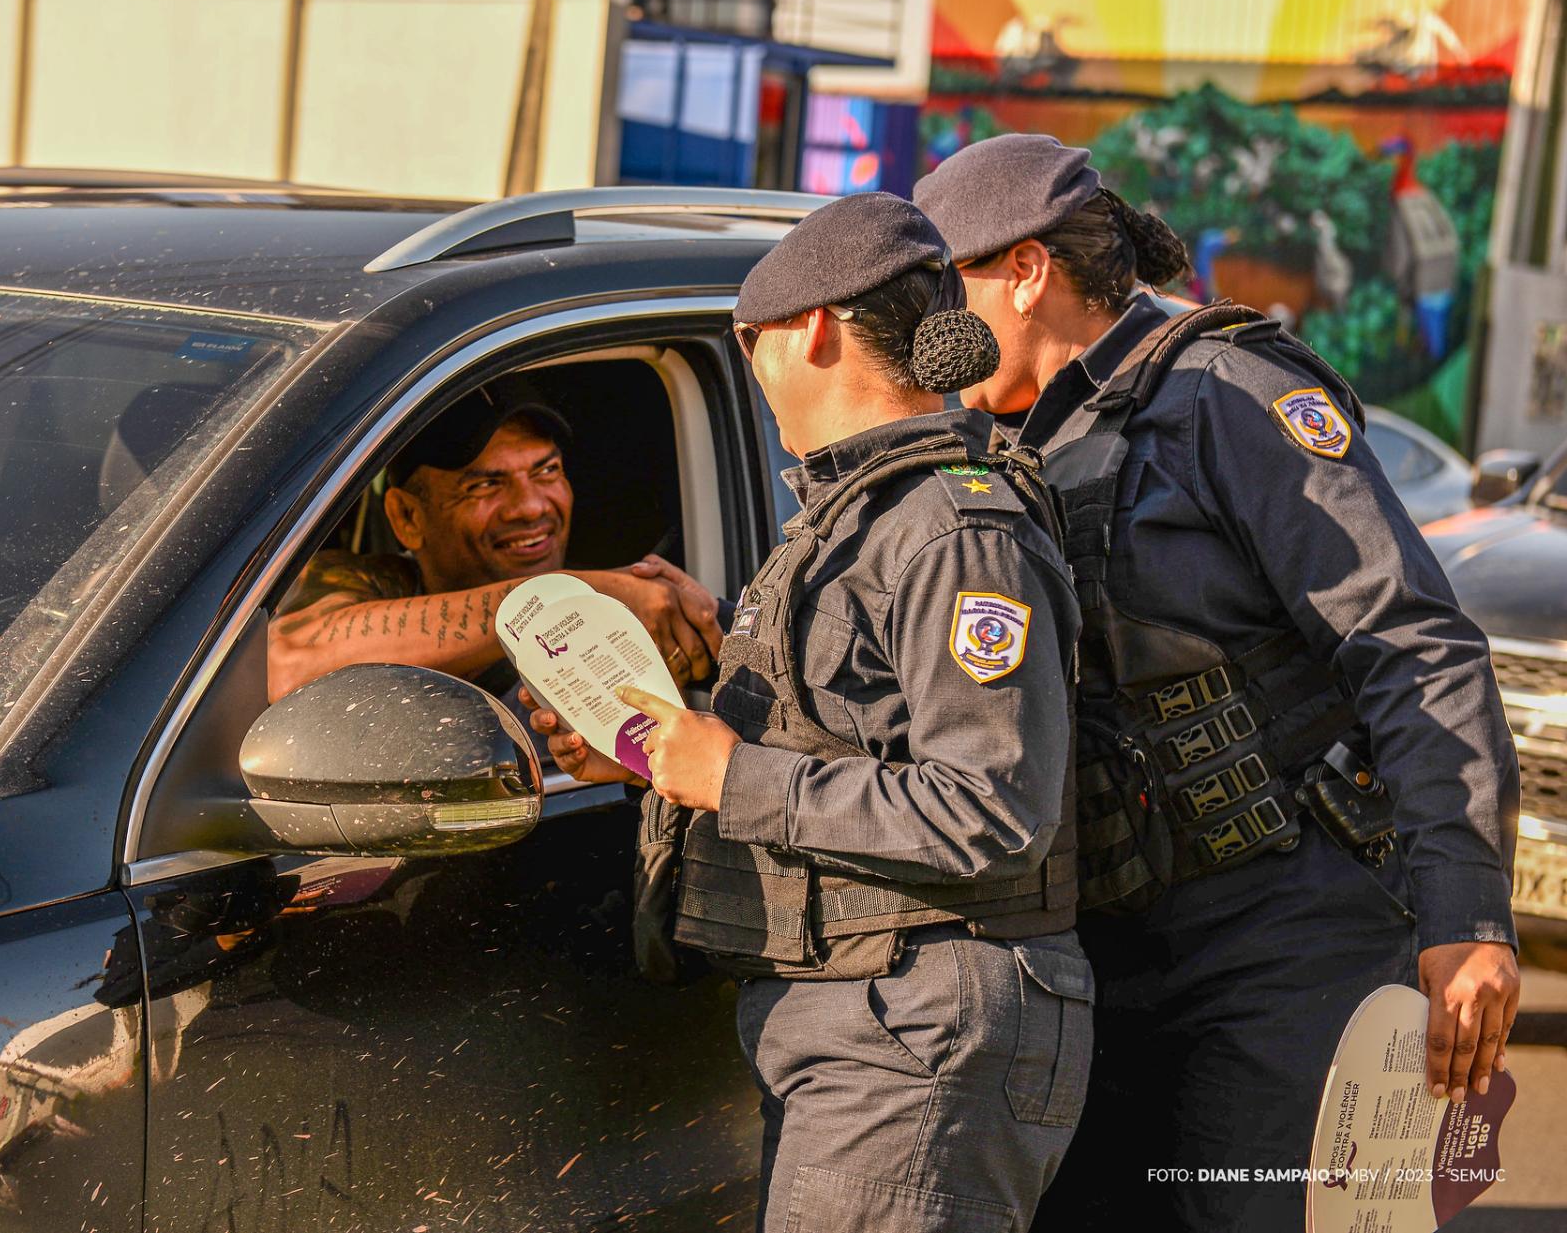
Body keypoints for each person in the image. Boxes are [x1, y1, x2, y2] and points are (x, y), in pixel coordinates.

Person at [913, 134, 1522, 1232]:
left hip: (1283, 940)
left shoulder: (1227, 393)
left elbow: (1412, 646)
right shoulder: (983, 441)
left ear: (1025, 268)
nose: (931, 330)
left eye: (946, 283)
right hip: (1093, 949)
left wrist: (1468, 913)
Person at [533, 192, 1089, 1233]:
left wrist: (728, 777)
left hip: (918, 1029)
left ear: (813, 330)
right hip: (867, 1021)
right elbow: (848, 735)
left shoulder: (952, 531)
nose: (751, 368)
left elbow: (994, 807)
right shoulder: (854, 519)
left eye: (748, 343)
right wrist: (666, 756)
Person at [267, 380, 723, 705]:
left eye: (547, 471)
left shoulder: (642, 617)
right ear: (407, 516)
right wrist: (572, 597)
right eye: (485, 485)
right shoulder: (378, 585)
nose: (529, 506)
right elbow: (290, 662)